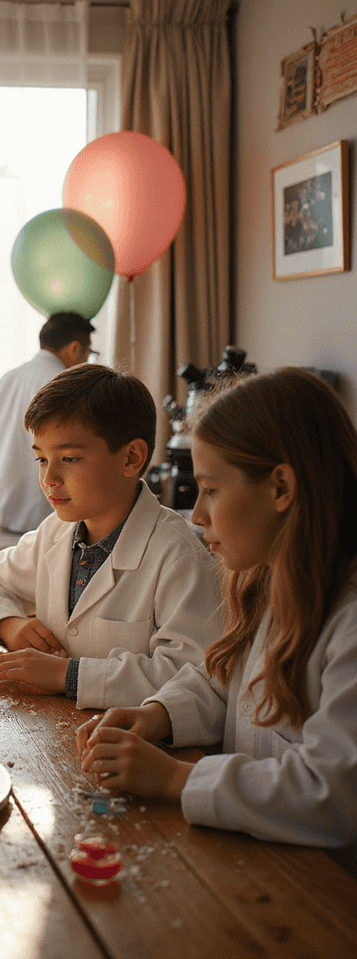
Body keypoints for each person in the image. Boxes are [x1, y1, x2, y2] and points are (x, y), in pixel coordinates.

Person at [77, 368, 357, 874]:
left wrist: (176, 780)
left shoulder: (349, 623)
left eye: (210, 490)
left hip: (329, 894)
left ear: (281, 488)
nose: (197, 514)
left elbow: (332, 795)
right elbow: (229, 683)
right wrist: (158, 714)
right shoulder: (269, 585)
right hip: (259, 863)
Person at [0, 364, 221, 709]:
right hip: (60, 731)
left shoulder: (177, 555)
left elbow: (191, 675)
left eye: (69, 458)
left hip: (135, 748)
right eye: (41, 458)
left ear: (131, 458)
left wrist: (66, 675)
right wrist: (11, 625)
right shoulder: (57, 533)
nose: (50, 478)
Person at [0, 311, 95, 534]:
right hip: (36, 522)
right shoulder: (65, 385)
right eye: (90, 352)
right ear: (75, 348)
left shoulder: (9, 377)